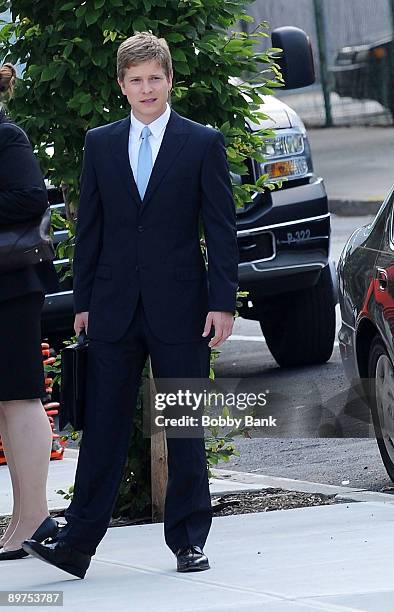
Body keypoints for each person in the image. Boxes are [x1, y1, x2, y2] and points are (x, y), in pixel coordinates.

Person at [23, 32, 238, 579]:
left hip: (183, 306)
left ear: (169, 81)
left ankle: (190, 540)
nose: (147, 89)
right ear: (121, 86)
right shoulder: (100, 144)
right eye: (136, 80)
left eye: (155, 79)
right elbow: (90, 227)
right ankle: (77, 544)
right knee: (104, 426)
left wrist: (222, 302)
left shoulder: (201, 142)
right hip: (113, 306)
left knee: (184, 424)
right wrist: (84, 300)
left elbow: (220, 227)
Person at [0, 62, 59, 560]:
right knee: (7, 402)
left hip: (12, 287)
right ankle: (22, 518)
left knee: (21, 398)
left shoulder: (7, 135)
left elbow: (29, 197)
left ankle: (36, 517)